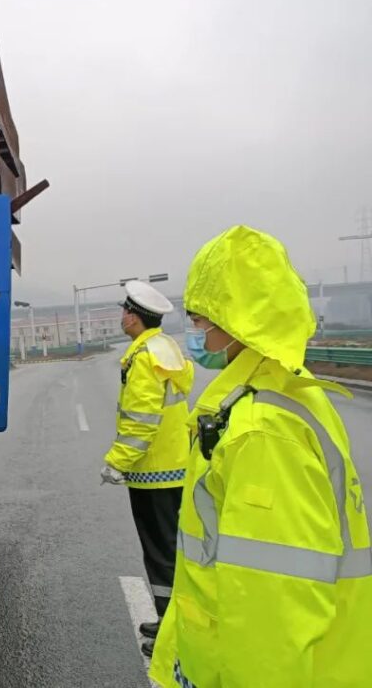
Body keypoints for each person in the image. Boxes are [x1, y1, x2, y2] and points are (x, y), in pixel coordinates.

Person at [150, 226, 372, 687]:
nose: (198, 337)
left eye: (200, 322)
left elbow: (270, 610)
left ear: (235, 323)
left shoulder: (262, 431)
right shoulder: (283, 393)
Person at [101, 279, 194, 656]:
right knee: (171, 548)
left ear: (135, 318)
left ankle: (172, 635)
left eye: (125, 311)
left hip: (154, 472)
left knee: (160, 552)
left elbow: (141, 420)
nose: (121, 317)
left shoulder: (143, 358)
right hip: (174, 466)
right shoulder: (165, 348)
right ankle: (170, 620)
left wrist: (116, 462)